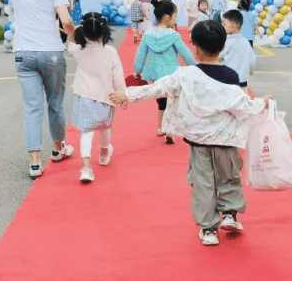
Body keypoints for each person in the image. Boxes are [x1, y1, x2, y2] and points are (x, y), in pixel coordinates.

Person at [111, 20, 269, 246]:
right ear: (223, 47)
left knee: (202, 184)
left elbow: (157, 88)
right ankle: (230, 216)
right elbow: (242, 107)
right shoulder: (231, 77)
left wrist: (127, 94)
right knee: (230, 178)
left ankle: (208, 229)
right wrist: (261, 104)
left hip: (198, 143)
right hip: (226, 142)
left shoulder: (184, 75)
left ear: (194, 47)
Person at [7, 0, 76, 178]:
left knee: (32, 108)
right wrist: (76, 38)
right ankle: (58, 149)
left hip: (23, 53)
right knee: (55, 104)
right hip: (51, 53)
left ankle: (35, 162)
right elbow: (66, 21)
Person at [67, 12, 126, 185]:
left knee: (87, 131)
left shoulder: (79, 50)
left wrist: (74, 31)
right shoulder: (110, 52)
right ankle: (103, 153)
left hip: (84, 96)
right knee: (104, 126)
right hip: (105, 97)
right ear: (104, 31)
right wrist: (123, 93)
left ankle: (86, 168)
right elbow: (118, 75)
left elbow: (71, 42)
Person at [134, 0, 196, 143]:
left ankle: (161, 126)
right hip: (172, 75)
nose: (175, 20)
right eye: (175, 17)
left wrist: (138, 70)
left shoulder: (148, 35)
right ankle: (170, 131)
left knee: (161, 102)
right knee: (172, 102)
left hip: (154, 76)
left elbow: (140, 56)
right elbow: (185, 54)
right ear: (167, 17)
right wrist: (195, 67)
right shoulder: (173, 36)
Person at [220, 9, 255, 87]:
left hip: (228, 81)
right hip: (243, 81)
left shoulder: (225, 42)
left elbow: (218, 56)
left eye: (225, 24)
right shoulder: (246, 42)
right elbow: (252, 61)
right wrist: (249, 72)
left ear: (233, 27)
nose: (223, 26)